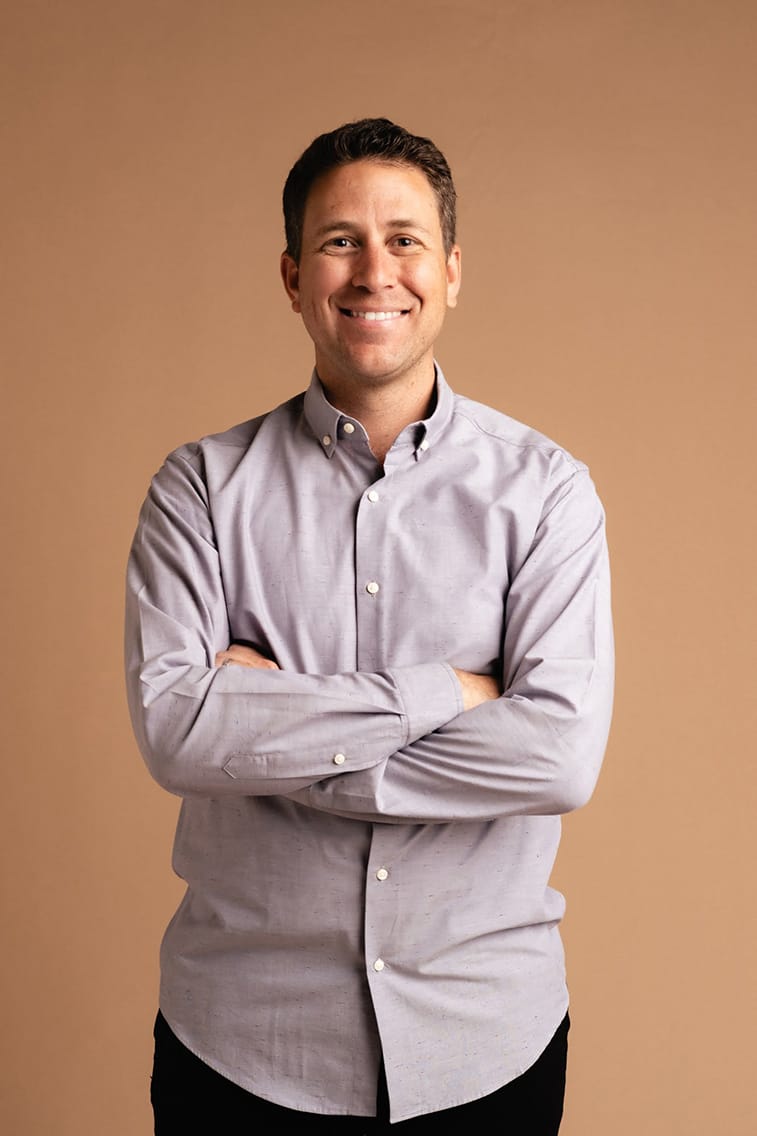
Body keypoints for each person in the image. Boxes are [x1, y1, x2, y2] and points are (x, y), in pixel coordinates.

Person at [125, 117, 614, 1134]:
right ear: (293, 274)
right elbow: (179, 732)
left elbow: (559, 756)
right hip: (242, 1044)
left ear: (450, 269)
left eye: (404, 238)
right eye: (340, 239)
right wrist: (449, 690)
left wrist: (266, 734)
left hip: (485, 1043)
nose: (373, 269)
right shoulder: (199, 490)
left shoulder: (549, 494)